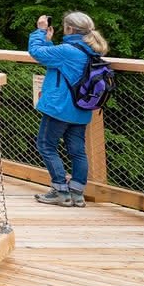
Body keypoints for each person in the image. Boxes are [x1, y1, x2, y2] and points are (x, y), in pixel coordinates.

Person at [28, 11, 106, 207]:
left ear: (70, 29)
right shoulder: (91, 50)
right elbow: (54, 60)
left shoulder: (68, 50)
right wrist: (48, 41)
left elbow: (36, 53)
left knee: (46, 145)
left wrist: (39, 31)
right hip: (81, 109)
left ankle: (60, 191)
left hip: (60, 108)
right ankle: (77, 194)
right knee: (77, 151)